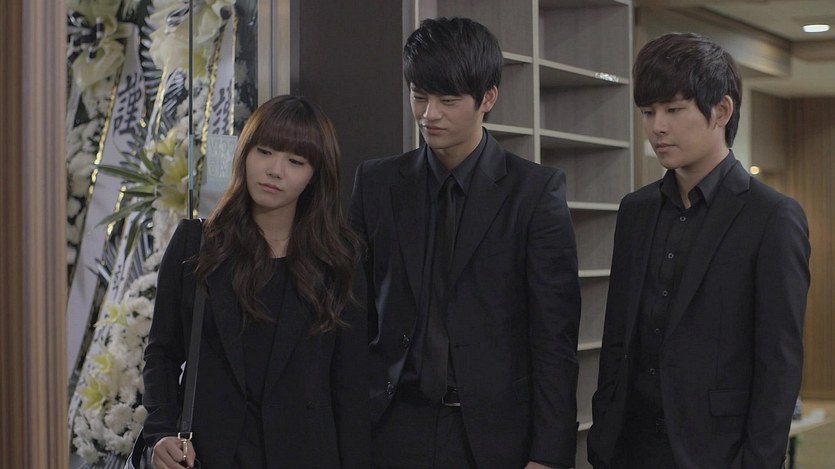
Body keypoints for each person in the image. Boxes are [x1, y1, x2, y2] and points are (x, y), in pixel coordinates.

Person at [350, 16, 581, 469]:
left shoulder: (534, 192)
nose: (428, 114)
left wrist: (549, 455)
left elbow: (554, 338)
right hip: (392, 425)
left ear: (487, 98)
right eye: (419, 95)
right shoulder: (377, 183)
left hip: (491, 436)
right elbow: (354, 312)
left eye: (448, 100)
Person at [587, 32, 811, 469]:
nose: (657, 127)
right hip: (628, 448)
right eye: (647, 112)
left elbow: (779, 362)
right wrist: (603, 432)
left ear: (721, 111)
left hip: (716, 452)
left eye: (673, 110)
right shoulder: (636, 211)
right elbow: (617, 337)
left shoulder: (771, 216)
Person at [142, 95, 368, 469]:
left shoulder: (339, 260)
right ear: (244, 154)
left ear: (315, 175)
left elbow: (351, 387)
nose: (275, 170)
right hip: (209, 455)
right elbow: (162, 352)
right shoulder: (196, 244)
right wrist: (161, 431)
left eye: (296, 161)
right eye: (264, 152)